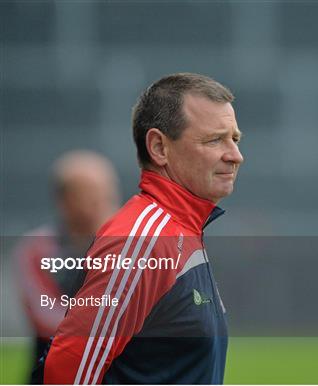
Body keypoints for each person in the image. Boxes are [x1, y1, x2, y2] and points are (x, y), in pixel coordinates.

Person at [38, 73, 244, 384]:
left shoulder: (177, 233)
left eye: (235, 139)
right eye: (214, 139)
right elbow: (67, 374)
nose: (235, 155)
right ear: (159, 147)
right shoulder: (145, 240)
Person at [15, 150, 120, 371]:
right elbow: (45, 316)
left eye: (106, 193)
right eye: (90, 194)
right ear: (63, 200)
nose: (101, 202)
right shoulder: (35, 250)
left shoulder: (136, 247)